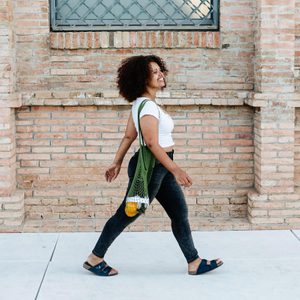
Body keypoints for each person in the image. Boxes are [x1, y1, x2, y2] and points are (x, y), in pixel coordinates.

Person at [83, 55, 223, 276]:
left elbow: (129, 136)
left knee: (179, 213)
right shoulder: (147, 106)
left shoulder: (141, 103)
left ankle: (193, 262)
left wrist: (116, 162)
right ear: (142, 77)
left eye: (161, 70)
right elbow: (150, 143)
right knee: (127, 213)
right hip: (152, 167)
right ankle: (94, 258)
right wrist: (176, 169)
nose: (161, 74)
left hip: (160, 167)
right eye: (155, 71)